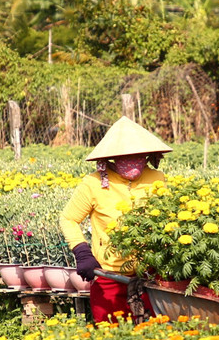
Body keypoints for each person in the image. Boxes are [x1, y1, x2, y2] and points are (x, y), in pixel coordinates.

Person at [59, 116, 171, 323]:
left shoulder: (156, 178)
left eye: (138, 156)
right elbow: (68, 219)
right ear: (111, 158)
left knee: (153, 333)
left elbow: (166, 216)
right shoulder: (93, 183)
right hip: (109, 278)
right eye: (125, 157)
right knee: (110, 333)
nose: (133, 161)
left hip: (149, 276)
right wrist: (82, 252)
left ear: (148, 155)